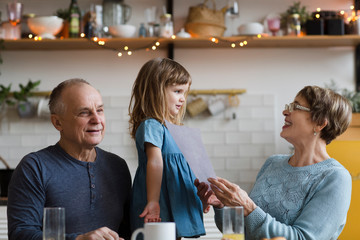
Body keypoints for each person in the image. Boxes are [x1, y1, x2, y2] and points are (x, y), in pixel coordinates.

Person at [195, 85, 353, 240]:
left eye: (295, 107)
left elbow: (303, 237)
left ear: (320, 123)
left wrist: (249, 208)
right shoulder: (272, 163)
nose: (285, 111)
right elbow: (238, 233)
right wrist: (223, 206)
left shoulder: (335, 177)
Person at [7, 79, 132, 240]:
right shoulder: (34, 167)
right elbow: (20, 234)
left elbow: (128, 231)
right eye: (84, 112)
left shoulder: (118, 166)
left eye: (100, 110)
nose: (96, 119)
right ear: (57, 122)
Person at [128, 57, 205, 239]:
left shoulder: (174, 131)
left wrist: (199, 198)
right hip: (157, 202)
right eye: (177, 91)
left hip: (176, 201)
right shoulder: (152, 125)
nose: (182, 99)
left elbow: (185, 171)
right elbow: (155, 162)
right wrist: (153, 200)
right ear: (155, 92)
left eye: (184, 93)